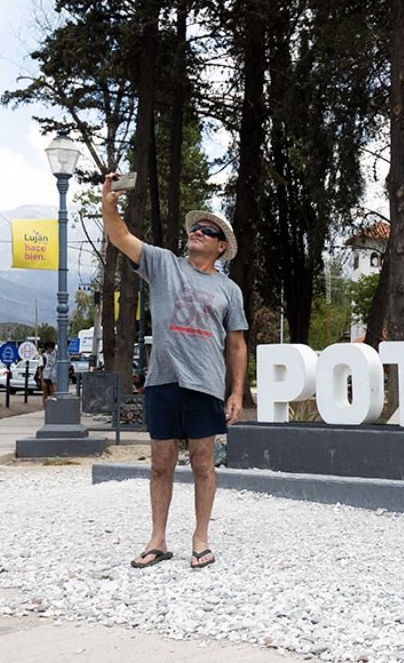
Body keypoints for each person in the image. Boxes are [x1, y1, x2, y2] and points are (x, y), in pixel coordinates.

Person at [101, 173, 248, 570]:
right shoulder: (164, 264)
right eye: (196, 228)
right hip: (163, 380)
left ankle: (200, 539)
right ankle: (157, 540)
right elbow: (120, 237)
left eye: (208, 230)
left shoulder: (229, 291)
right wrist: (109, 202)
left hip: (205, 384)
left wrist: (236, 393)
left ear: (220, 247)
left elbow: (236, 344)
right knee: (160, 462)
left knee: (203, 463)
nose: (198, 232)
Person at [39, 341, 57, 406]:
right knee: (45, 393)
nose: (52, 350)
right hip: (45, 377)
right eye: (51, 348)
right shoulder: (43, 356)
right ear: (48, 348)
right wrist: (42, 381)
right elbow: (40, 369)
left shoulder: (53, 355)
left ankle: (53, 406)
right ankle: (45, 407)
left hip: (52, 376)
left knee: (53, 392)